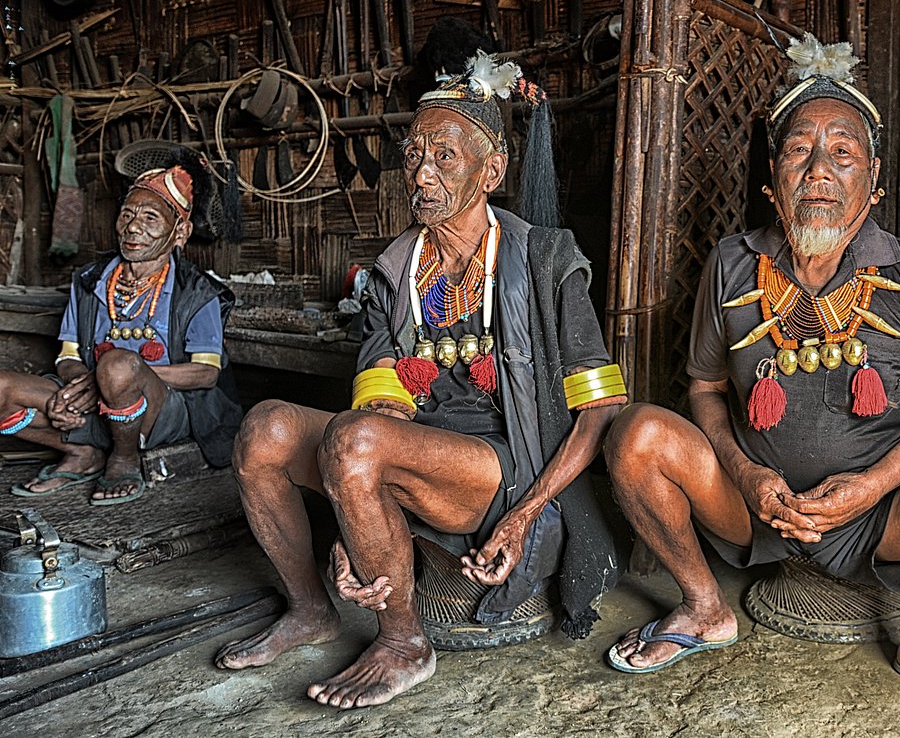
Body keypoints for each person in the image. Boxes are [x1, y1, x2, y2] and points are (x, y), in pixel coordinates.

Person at [605, 33, 900, 732]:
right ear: (773, 179)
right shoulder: (732, 263)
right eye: (800, 149)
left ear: (873, 183)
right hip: (754, 505)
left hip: (886, 515)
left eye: (843, 151)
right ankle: (704, 605)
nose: (820, 167)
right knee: (636, 432)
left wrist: (873, 484)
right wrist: (744, 473)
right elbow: (706, 386)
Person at [213, 52, 626, 708]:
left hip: (502, 470)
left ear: (492, 170)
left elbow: (599, 412)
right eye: (413, 156)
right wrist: (354, 513)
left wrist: (522, 515)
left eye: (446, 157)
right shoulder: (395, 269)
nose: (422, 174)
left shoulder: (546, 259)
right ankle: (312, 607)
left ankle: (404, 640)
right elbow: (384, 404)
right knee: (265, 428)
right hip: (413, 453)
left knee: (354, 443)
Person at [2, 150, 241, 504]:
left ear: (181, 232)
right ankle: (84, 454)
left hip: (160, 411)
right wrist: (81, 385)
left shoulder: (197, 291)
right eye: (127, 214)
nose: (132, 227)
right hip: (94, 401)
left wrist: (121, 373)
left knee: (118, 364)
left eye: (150, 217)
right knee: (3, 388)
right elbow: (67, 355)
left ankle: (124, 458)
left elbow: (205, 373)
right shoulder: (89, 281)